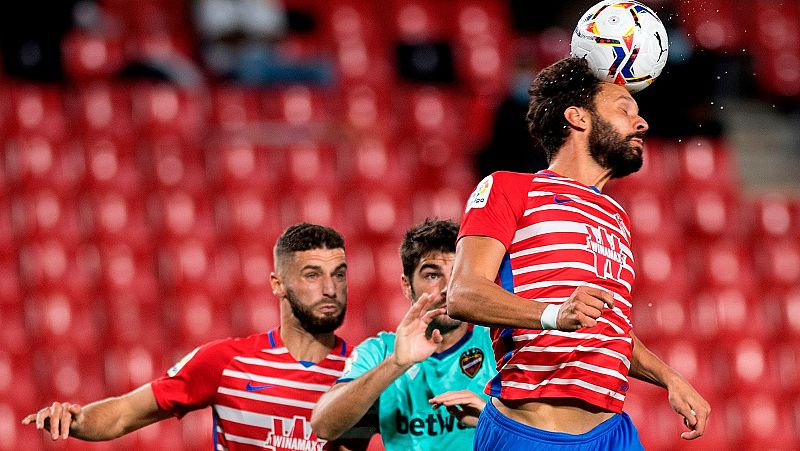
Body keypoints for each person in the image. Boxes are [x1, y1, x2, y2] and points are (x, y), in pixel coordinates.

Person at [446, 57, 711, 450]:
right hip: (532, 434)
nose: (641, 123)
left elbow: (608, 329)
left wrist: (668, 377)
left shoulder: (617, 217)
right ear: (578, 117)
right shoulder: (509, 189)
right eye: (624, 110)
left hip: (614, 434)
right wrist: (554, 314)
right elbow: (463, 294)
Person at [22, 223, 368, 450]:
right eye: (312, 275)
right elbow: (124, 413)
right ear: (278, 285)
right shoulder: (227, 361)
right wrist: (79, 420)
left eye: (339, 274)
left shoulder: (366, 372)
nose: (330, 289)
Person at [310, 218, 496, 450]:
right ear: (407, 285)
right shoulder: (380, 352)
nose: (448, 288)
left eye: (458, 273)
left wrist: (490, 419)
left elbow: (539, 432)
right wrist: (397, 363)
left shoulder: (497, 344)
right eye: (432, 275)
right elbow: (324, 427)